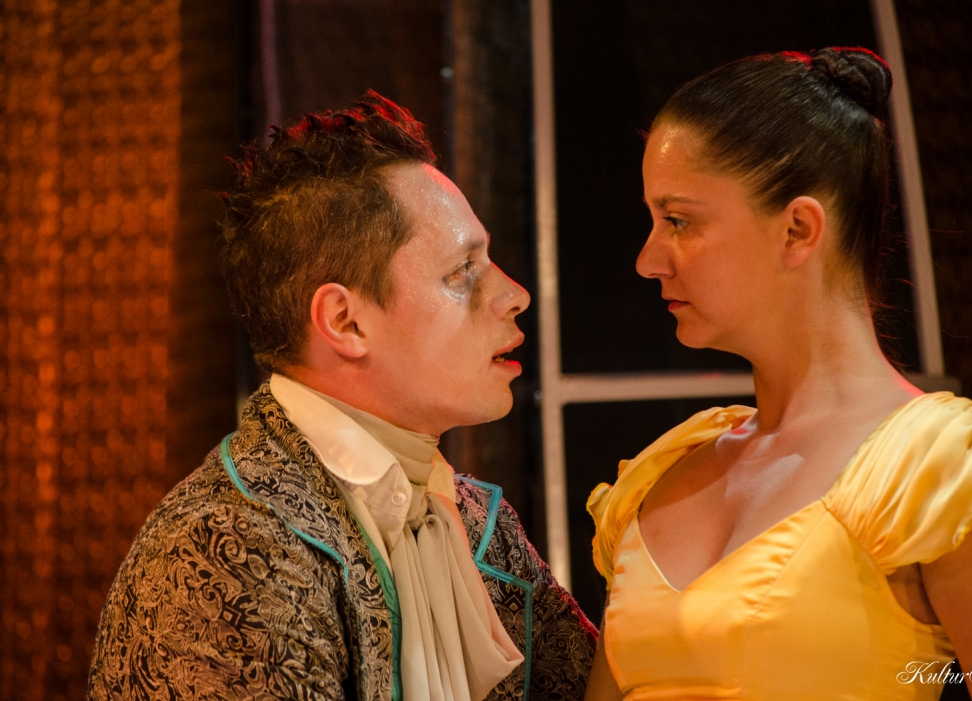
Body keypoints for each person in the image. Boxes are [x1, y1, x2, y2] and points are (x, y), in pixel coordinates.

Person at [89, 93, 597, 700]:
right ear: (345, 322)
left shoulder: (472, 523)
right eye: (462, 273)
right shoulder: (221, 547)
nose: (514, 295)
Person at [584, 48, 972, 701]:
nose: (647, 259)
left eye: (679, 221)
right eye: (654, 221)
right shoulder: (663, 471)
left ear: (798, 229)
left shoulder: (942, 466)